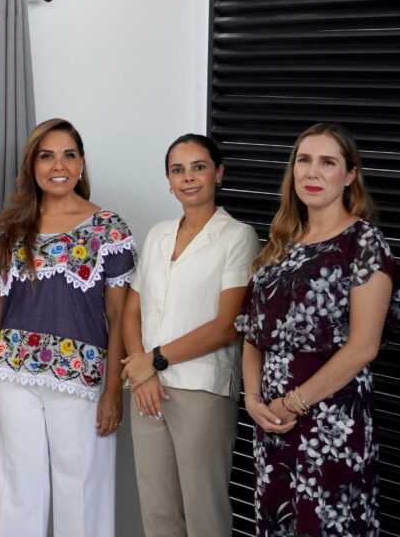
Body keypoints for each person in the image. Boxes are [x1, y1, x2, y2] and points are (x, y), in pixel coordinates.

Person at [236, 123, 400, 536]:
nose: (312, 172)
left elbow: (363, 347)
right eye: (304, 160)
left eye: (327, 162)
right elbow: (253, 333)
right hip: (272, 422)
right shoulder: (280, 243)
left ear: (350, 175)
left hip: (332, 421)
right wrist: (253, 399)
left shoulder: (363, 242)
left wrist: (292, 402)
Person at [0, 118, 134, 537]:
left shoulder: (108, 229)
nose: (58, 165)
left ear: (81, 163)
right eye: (47, 156)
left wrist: (113, 390)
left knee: (82, 493)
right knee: (16, 492)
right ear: (32, 165)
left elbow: (119, 316)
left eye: (68, 155)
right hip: (10, 372)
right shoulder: (7, 230)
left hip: (82, 377)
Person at [120, 134, 259, 537]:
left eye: (199, 167)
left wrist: (154, 359)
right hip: (148, 388)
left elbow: (227, 324)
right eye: (177, 170)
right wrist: (142, 371)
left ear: (219, 173)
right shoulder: (158, 235)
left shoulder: (238, 236)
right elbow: (132, 311)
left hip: (203, 389)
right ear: (168, 181)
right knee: (158, 511)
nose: (188, 177)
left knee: (203, 511)